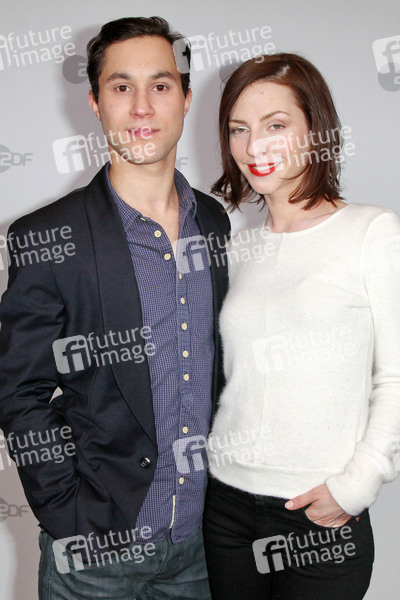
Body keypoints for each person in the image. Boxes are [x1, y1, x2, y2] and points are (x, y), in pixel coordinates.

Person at [0, 16, 230, 600]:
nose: (142, 107)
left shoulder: (214, 222)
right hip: (94, 553)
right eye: (122, 86)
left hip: (201, 547)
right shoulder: (47, 236)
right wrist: (67, 511)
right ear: (96, 103)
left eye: (160, 85)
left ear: (185, 99)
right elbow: (19, 391)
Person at [203, 52, 400, 600]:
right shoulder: (236, 249)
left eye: (275, 125)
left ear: (315, 129)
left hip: (319, 517)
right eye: (239, 129)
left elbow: (395, 378)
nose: (254, 147)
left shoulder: (373, 232)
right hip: (225, 508)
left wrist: (357, 485)